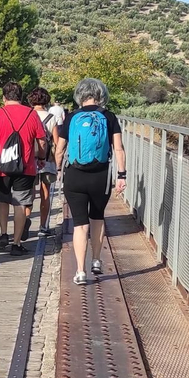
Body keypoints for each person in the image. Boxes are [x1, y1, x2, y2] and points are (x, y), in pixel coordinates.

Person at [55, 77, 127, 286]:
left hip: (75, 175)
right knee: (97, 217)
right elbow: (119, 149)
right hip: (101, 176)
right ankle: (96, 259)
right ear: (100, 95)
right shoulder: (109, 116)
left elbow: (60, 149)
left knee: (80, 224)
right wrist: (121, 176)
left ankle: (80, 271)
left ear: (80, 95)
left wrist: (58, 169)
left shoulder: (71, 118)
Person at [0, 81, 49, 255]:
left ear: (4, 97)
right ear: (21, 97)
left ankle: (4, 234)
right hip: (26, 166)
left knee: (3, 200)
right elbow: (42, 140)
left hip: (1, 166)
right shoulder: (31, 114)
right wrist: (41, 157)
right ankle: (16, 243)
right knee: (21, 203)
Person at [29, 87, 64, 236]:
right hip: (47, 159)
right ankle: (43, 227)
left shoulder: (28, 115)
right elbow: (56, 142)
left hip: (29, 159)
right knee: (45, 192)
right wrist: (58, 164)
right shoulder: (51, 118)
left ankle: (24, 220)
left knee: (28, 193)